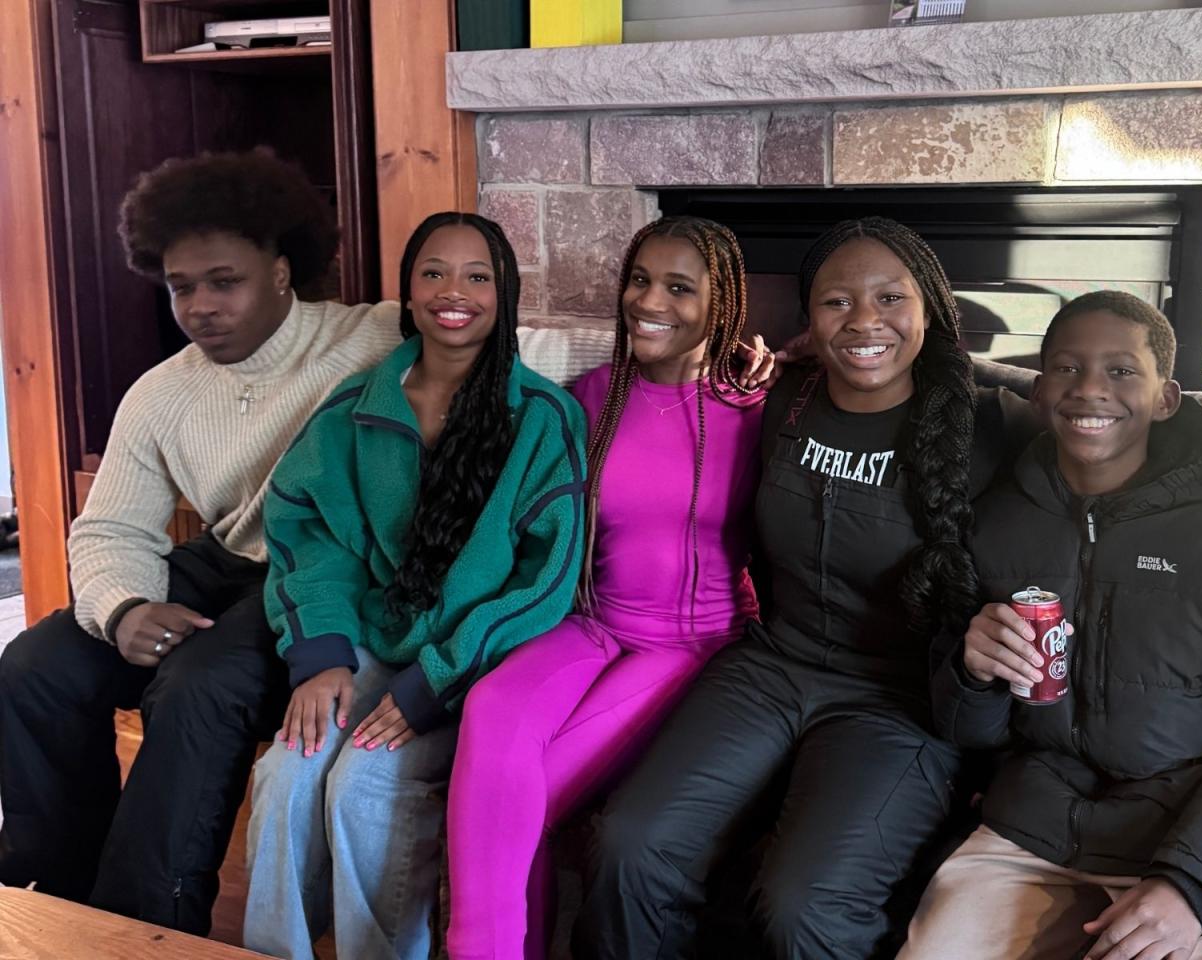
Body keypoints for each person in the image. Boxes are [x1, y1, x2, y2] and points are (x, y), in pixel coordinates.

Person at [575, 217, 1029, 960]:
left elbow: (1083, 410)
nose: (864, 322)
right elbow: (696, 388)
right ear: (809, 320)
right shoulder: (780, 397)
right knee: (631, 841)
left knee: (802, 904)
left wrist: (1040, 382)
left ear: (930, 307)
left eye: (890, 299)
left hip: (899, 699)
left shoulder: (988, 424)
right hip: (773, 664)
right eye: (836, 303)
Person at [0, 149, 399, 933]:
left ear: (283, 271)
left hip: (320, 567)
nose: (200, 307)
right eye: (182, 287)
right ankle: (46, 894)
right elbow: (114, 526)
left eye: (226, 282)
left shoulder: (374, 339)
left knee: (199, 685)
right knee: (34, 666)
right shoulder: (162, 391)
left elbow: (503, 347)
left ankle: (145, 923)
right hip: (224, 559)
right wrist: (124, 609)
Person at [900, 291, 1202, 960]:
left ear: (1166, 397)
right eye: (1067, 369)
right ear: (1040, 393)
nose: (1091, 389)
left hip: (1177, 842)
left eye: (1122, 370)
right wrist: (969, 670)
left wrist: (1194, 886)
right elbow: (966, 732)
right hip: (1026, 830)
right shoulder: (994, 523)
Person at [242, 212, 586, 960]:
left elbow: (544, 583)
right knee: (286, 776)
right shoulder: (356, 406)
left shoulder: (543, 419)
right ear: (407, 288)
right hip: (369, 643)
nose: (452, 292)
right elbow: (308, 532)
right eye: (433, 272)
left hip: (470, 669)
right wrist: (322, 654)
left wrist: (433, 683)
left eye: (477, 276)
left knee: (362, 787)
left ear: (506, 294)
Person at [445, 215, 774, 960]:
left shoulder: (756, 404)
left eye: (679, 288)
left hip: (692, 643)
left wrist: (790, 359)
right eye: (640, 280)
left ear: (723, 307)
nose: (649, 300)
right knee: (493, 707)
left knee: (520, 802)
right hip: (591, 623)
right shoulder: (589, 398)